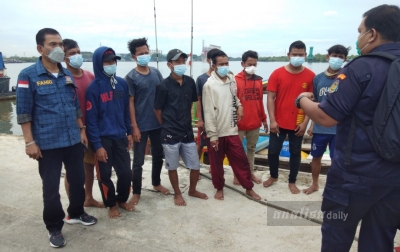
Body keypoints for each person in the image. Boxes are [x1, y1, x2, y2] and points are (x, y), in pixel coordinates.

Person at [296, 4, 400, 251]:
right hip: (394, 177)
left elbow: (326, 117)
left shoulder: (361, 67)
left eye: (360, 30)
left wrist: (302, 100)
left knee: (336, 237)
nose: (359, 36)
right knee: (379, 241)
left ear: (372, 34)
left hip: (353, 177)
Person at [16, 28, 97, 248]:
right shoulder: (28, 75)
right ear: (40, 49)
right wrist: (29, 142)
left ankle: (77, 213)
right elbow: (23, 112)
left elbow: (74, 107)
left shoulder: (66, 74)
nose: (58, 48)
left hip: (73, 139)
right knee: (50, 189)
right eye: (53, 44)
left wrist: (81, 129)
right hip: (47, 143)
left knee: (78, 180)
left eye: (60, 44)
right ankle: (54, 228)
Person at [202, 50, 261, 201]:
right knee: (216, 163)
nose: (224, 66)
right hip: (216, 131)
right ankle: (219, 187)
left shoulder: (231, 79)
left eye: (226, 63)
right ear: (213, 66)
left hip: (232, 129)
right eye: (221, 64)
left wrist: (240, 106)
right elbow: (208, 112)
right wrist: (213, 135)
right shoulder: (209, 85)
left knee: (241, 160)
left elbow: (234, 98)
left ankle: (248, 187)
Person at [154, 49, 208, 206]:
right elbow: (157, 109)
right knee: (173, 165)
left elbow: (193, 102)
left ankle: (192, 190)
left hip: (187, 131)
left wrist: (193, 119)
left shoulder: (190, 82)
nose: (181, 65)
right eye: (178, 62)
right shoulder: (163, 86)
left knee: (195, 164)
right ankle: (177, 193)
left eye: (183, 61)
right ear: (169, 65)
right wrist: (164, 125)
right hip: (170, 131)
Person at [85, 46, 134, 218]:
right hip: (103, 139)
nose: (111, 64)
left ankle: (121, 199)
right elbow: (91, 121)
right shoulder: (93, 88)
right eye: (107, 61)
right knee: (104, 175)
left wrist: (129, 132)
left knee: (126, 173)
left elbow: (126, 111)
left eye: (113, 61)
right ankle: (111, 204)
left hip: (120, 137)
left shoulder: (121, 83)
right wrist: (97, 146)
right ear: (99, 64)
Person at [264, 40, 315, 194]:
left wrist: (305, 123)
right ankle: (273, 175)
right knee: (273, 151)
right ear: (288, 55)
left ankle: (292, 181)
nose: (297, 57)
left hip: (298, 123)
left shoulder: (311, 76)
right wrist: (272, 120)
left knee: (295, 152)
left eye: (300, 54)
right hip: (278, 122)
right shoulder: (277, 73)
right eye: (294, 54)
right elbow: (270, 98)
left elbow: (312, 102)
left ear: (305, 55)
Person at [125, 37, 169, 206]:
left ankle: (156, 182)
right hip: (141, 125)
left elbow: (163, 95)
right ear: (134, 57)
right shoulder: (131, 77)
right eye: (140, 53)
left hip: (158, 123)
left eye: (146, 52)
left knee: (158, 155)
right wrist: (134, 126)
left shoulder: (156, 72)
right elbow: (130, 102)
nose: (144, 55)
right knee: (138, 160)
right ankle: (136, 192)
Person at [62, 38, 104, 208]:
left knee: (89, 167)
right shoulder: (64, 78)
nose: (77, 55)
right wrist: (80, 130)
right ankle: (75, 205)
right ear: (64, 58)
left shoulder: (90, 76)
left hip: (92, 130)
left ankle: (88, 198)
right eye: (72, 53)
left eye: (78, 52)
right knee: (73, 171)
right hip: (73, 131)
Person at [303, 45, 349, 195]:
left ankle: (332, 188)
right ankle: (315, 184)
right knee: (316, 157)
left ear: (345, 59)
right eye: (335, 55)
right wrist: (311, 124)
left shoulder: (347, 77)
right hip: (320, 128)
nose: (337, 59)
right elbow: (315, 102)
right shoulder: (318, 79)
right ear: (328, 56)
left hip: (340, 128)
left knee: (337, 160)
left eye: (341, 57)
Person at [234, 50, 267, 185]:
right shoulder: (235, 80)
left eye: (255, 64)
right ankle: (237, 174)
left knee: (251, 149)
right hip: (239, 123)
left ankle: (250, 172)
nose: (252, 66)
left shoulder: (258, 80)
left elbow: (259, 101)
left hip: (255, 122)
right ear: (242, 64)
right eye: (249, 64)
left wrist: (264, 119)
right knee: (237, 150)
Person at [195, 48, 220, 174]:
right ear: (209, 60)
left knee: (216, 144)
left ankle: (213, 167)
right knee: (200, 143)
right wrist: (200, 119)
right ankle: (195, 168)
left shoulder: (223, 78)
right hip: (205, 118)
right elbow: (198, 100)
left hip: (219, 119)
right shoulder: (201, 79)